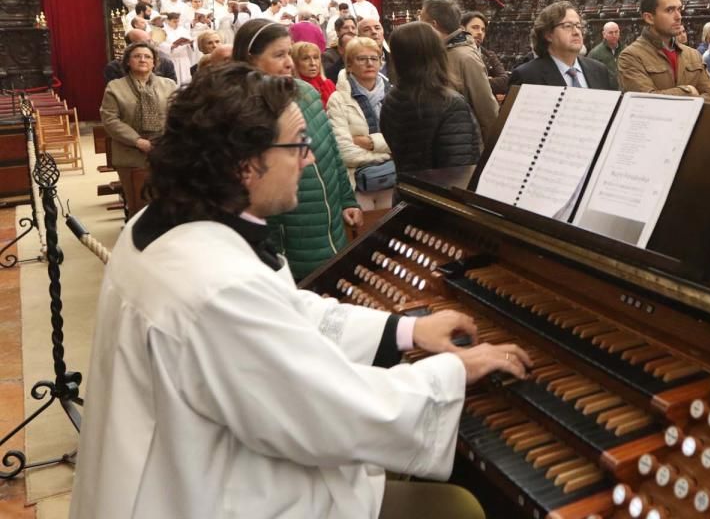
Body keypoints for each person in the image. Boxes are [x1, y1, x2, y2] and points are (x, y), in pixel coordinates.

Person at [73, 61, 528, 519]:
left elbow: (283, 316)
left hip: (190, 469)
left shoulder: (176, 223)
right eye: (298, 145)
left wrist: (401, 332)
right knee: (457, 510)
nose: (309, 159)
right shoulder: (216, 284)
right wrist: (449, 373)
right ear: (245, 165)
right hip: (214, 495)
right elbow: (329, 412)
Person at [233, 19, 362, 279]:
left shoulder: (306, 92)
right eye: (279, 55)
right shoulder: (244, 109)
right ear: (251, 59)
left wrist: (347, 199)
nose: (289, 63)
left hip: (330, 222)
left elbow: (331, 150)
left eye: (288, 53)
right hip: (290, 231)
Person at [381, 22, 482, 173]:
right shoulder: (451, 105)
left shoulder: (391, 98)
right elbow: (457, 173)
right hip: (436, 194)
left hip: (406, 190)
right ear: (437, 53)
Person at [99, 41, 178, 208]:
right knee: (138, 205)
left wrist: (167, 141)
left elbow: (177, 115)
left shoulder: (169, 85)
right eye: (137, 56)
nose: (142, 59)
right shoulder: (115, 87)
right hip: (130, 153)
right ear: (128, 61)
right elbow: (110, 119)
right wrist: (138, 141)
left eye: (147, 57)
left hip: (163, 152)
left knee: (167, 203)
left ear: (154, 62)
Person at [617, 0, 710, 102]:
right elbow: (646, 101)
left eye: (679, 9)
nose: (678, 17)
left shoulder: (692, 54)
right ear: (649, 18)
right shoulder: (632, 56)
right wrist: (687, 91)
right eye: (670, 10)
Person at [327, 37, 394, 210]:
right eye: (361, 59)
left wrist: (372, 143)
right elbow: (345, 152)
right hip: (356, 184)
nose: (369, 63)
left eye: (374, 58)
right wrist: (389, 154)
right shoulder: (338, 99)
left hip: (394, 181)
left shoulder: (394, 95)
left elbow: (406, 142)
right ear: (349, 65)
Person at [421, 0, 499, 136]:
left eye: (421, 20)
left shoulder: (465, 57)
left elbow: (486, 109)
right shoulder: (437, 51)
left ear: (433, 25)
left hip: (464, 141)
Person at [508, 1, 616, 91]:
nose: (576, 32)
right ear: (548, 34)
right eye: (568, 26)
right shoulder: (527, 76)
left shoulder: (599, 70)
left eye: (579, 26)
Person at [461, 11, 509, 95]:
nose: (480, 32)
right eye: (475, 27)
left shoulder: (489, 55)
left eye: (483, 30)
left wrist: (476, 82)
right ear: (462, 29)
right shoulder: (457, 53)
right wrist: (487, 80)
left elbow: (504, 82)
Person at [104, 29, 177, 82]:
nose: (150, 45)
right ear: (130, 46)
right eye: (144, 43)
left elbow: (172, 95)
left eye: (150, 41)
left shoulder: (166, 64)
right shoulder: (114, 68)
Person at [291, 41, 335, 106]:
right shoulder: (292, 90)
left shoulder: (328, 84)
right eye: (305, 58)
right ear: (295, 63)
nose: (313, 63)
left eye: (316, 57)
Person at [159, 12, 196, 86]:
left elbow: (190, 41)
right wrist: (172, 46)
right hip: (172, 59)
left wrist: (191, 43)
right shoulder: (162, 31)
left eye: (178, 21)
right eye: (174, 21)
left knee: (186, 80)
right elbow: (160, 44)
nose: (177, 23)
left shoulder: (183, 30)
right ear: (168, 21)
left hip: (184, 59)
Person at [324, 17, 357, 81]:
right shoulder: (328, 56)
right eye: (345, 28)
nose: (350, 30)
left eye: (353, 28)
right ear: (337, 31)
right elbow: (328, 78)